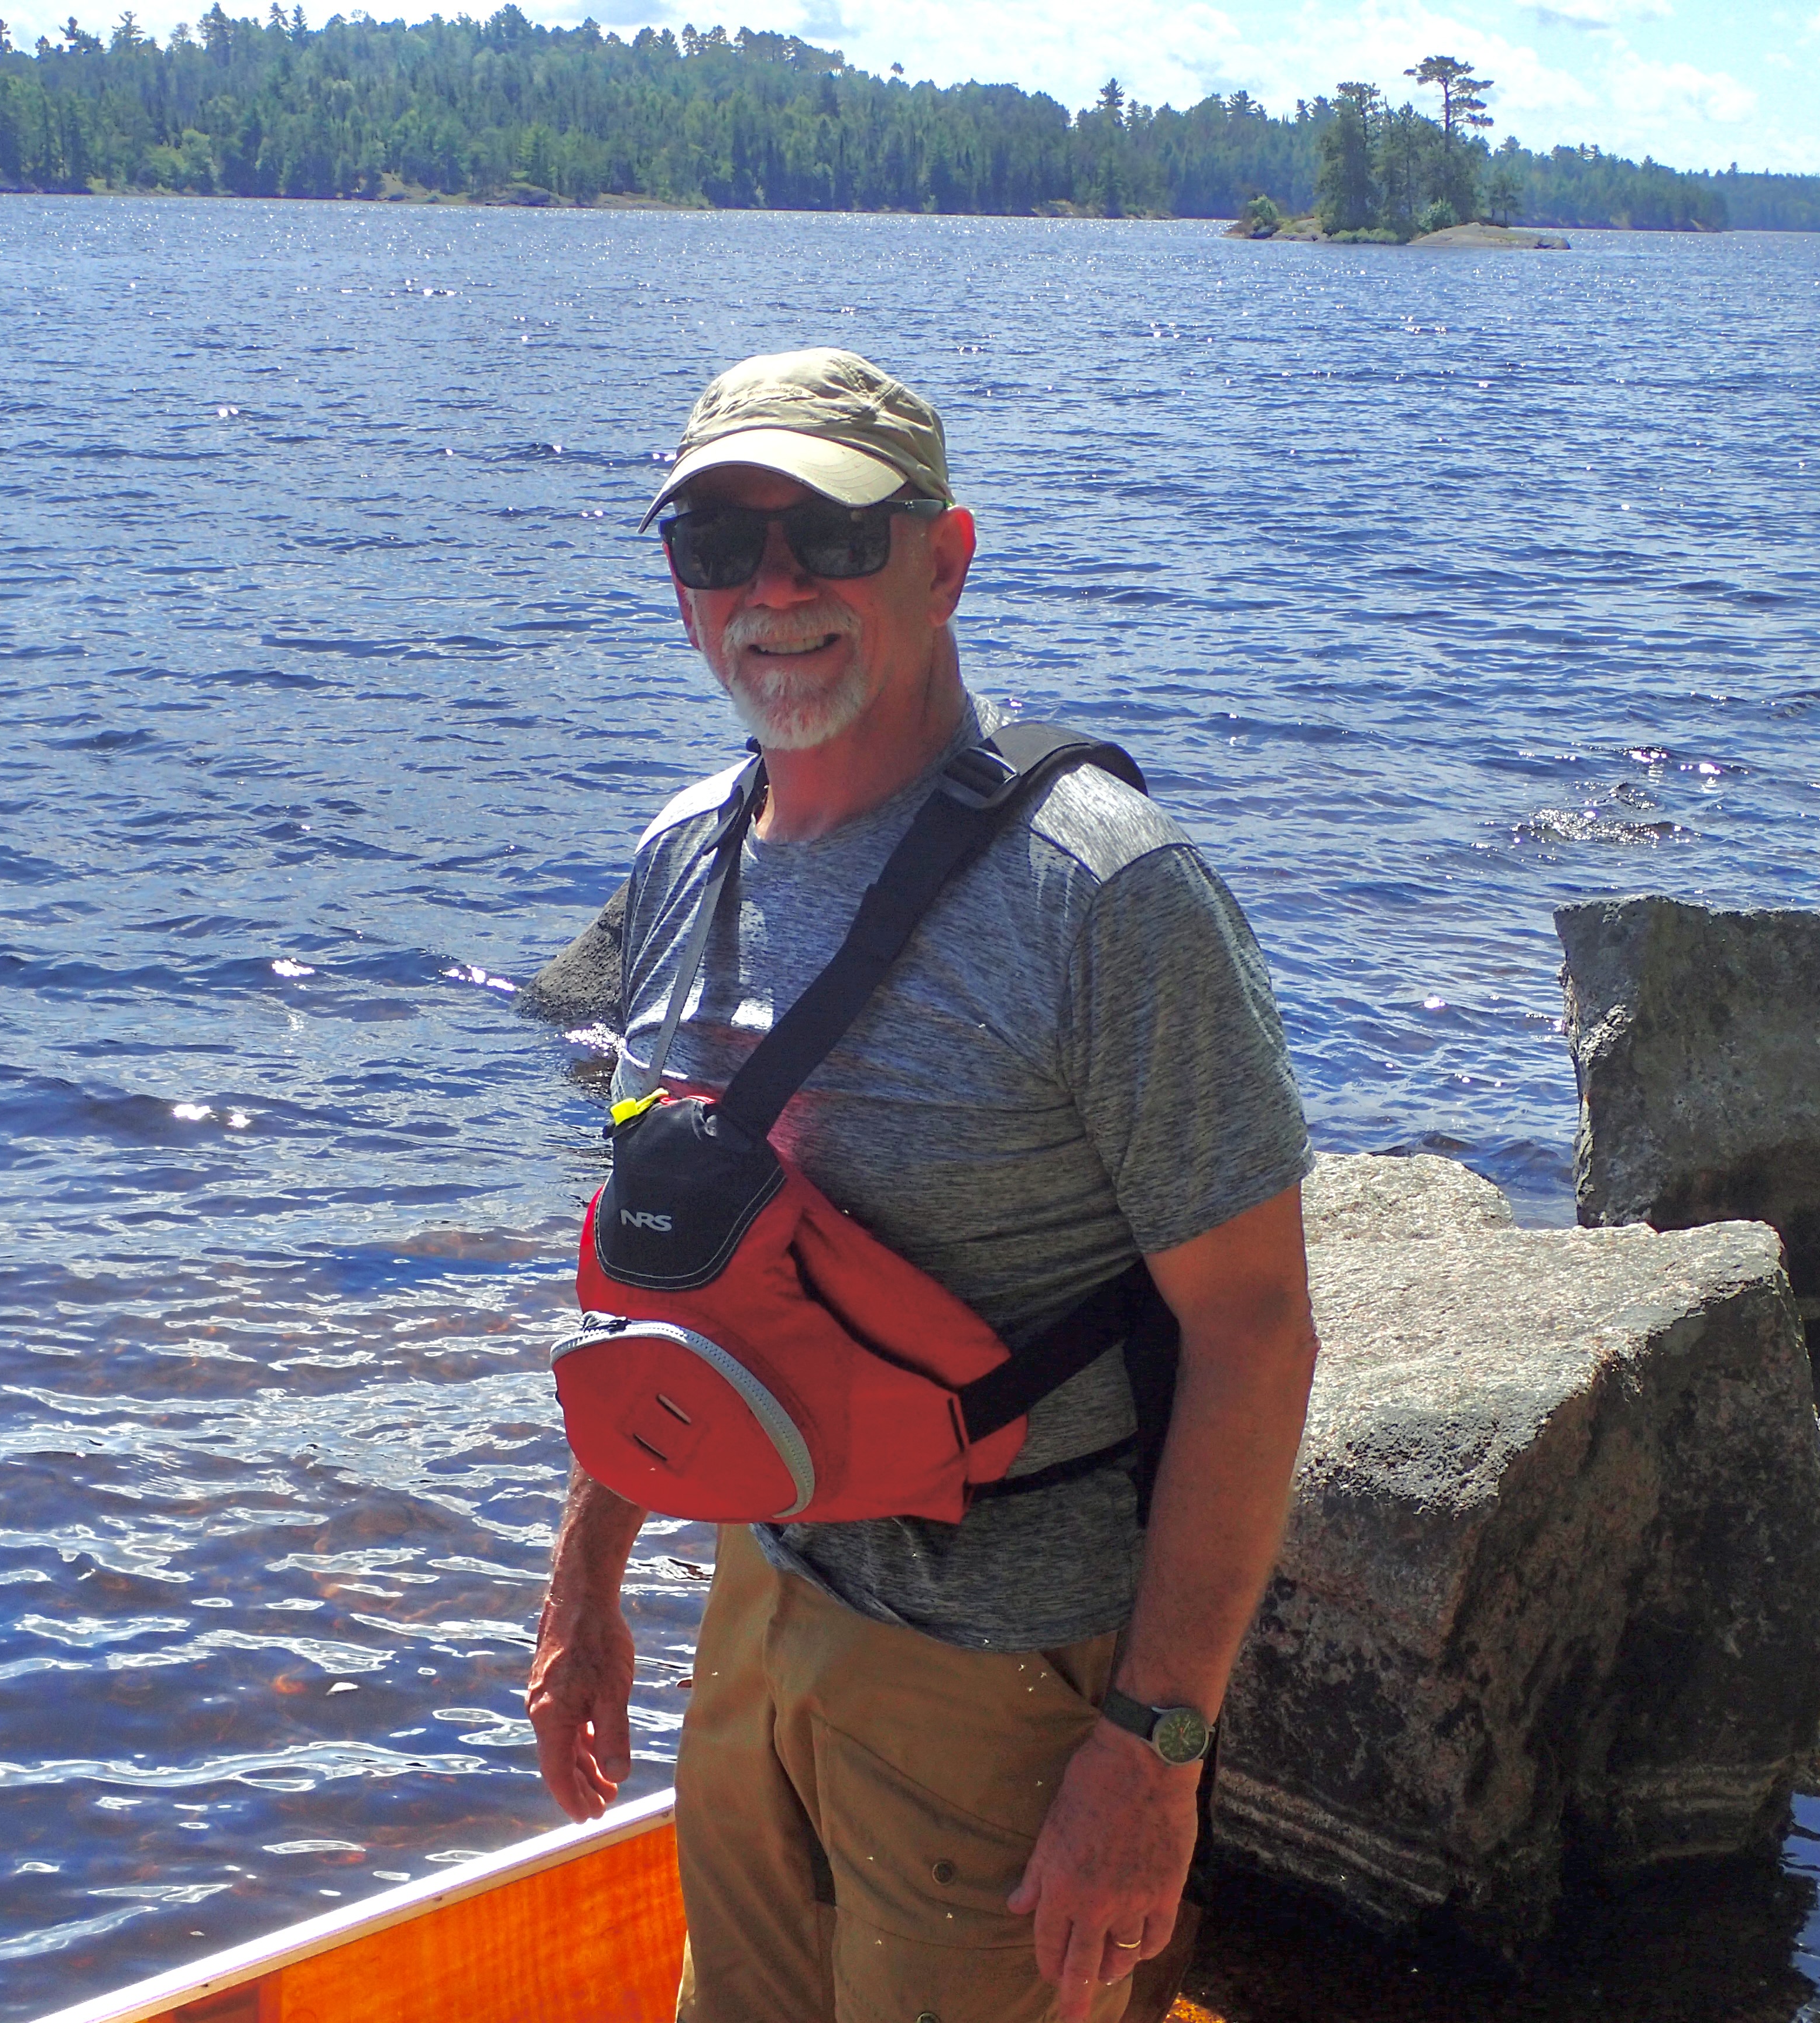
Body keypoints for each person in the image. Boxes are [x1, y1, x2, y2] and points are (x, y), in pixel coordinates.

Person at [526, 348, 1318, 2023]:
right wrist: (588, 1576)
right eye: (719, 546)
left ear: (944, 559)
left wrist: (1153, 1749)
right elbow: (659, 1268)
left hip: (1007, 1684)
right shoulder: (686, 854)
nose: (775, 590)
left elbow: (1254, 1338)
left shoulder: (1103, 896)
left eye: (833, 536)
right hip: (760, 1601)